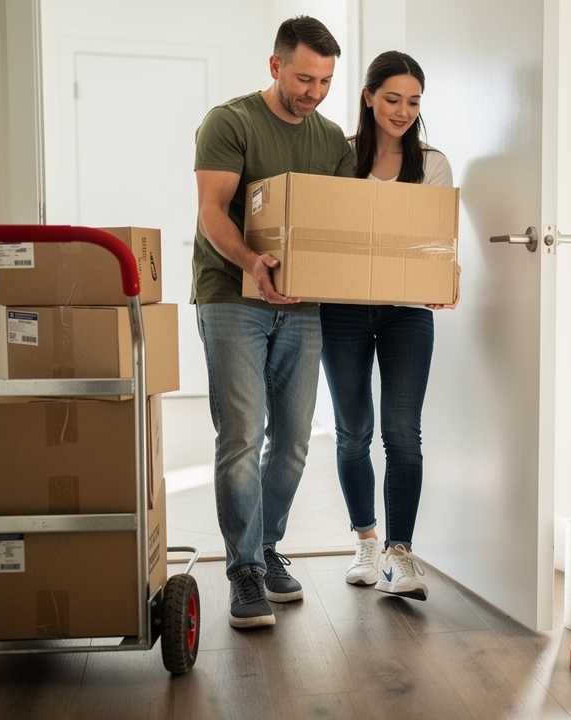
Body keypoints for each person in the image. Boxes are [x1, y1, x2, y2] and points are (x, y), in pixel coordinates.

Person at [192, 16, 354, 629]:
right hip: (232, 297)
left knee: (289, 441)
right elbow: (212, 211)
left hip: (301, 304)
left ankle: (265, 546)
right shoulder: (230, 122)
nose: (313, 92)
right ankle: (242, 571)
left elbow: (337, 225)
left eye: (325, 81)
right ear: (275, 66)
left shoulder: (333, 139)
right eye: (303, 77)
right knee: (240, 435)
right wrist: (254, 262)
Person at [321, 51, 458, 602]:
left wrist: (447, 275)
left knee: (402, 432)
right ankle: (366, 543)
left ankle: (400, 555)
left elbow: (437, 241)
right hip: (343, 309)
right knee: (352, 430)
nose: (403, 111)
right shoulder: (340, 157)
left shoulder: (432, 163)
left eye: (414, 101)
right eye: (393, 98)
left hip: (407, 312)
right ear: (369, 97)